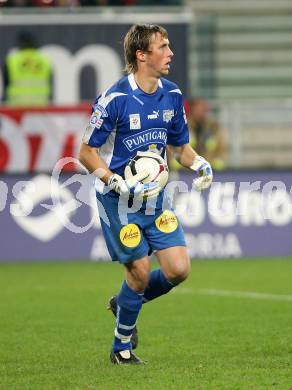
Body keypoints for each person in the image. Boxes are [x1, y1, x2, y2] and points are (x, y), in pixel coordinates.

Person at [79, 23, 213, 365]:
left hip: (156, 201)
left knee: (179, 269)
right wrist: (114, 181)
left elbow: (180, 147)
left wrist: (199, 163)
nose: (170, 53)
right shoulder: (115, 99)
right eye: (163, 47)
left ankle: (122, 302)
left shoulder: (173, 95)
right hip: (119, 202)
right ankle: (121, 348)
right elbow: (87, 153)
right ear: (142, 55)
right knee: (139, 270)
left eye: (169, 46)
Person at [2, 31, 52, 106]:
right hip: (40, 105)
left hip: (17, 106)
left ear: (20, 43)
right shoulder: (44, 60)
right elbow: (49, 82)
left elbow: (6, 85)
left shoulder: (12, 60)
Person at [187, 98, 226, 170]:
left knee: (212, 142)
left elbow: (221, 145)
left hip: (208, 159)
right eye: (199, 109)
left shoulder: (212, 125)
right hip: (188, 161)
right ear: (193, 110)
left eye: (204, 109)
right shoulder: (185, 124)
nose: (201, 112)